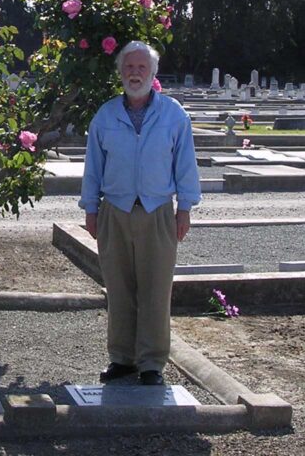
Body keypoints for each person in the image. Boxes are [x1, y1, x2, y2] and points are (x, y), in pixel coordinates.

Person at [79, 40, 201, 384]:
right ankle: (122, 358)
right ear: (120, 72)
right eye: (129, 67)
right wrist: (90, 208)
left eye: (141, 68)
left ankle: (151, 363)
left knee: (156, 289)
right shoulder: (106, 116)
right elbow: (94, 167)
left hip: (158, 210)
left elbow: (185, 165)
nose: (135, 74)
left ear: (153, 73)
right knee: (118, 288)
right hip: (114, 212)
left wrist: (185, 209)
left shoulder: (173, 115)